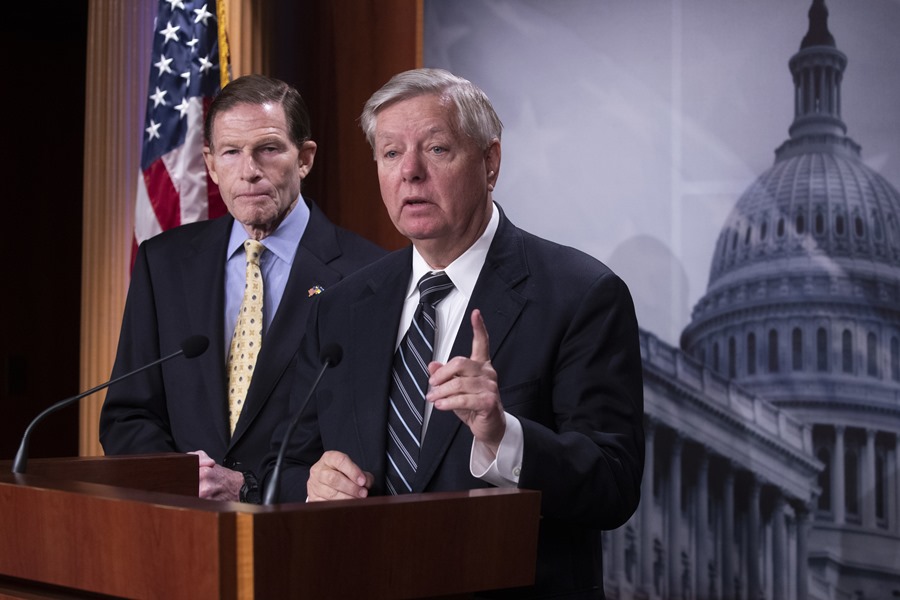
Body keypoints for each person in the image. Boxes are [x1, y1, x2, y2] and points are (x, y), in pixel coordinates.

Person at [263, 68, 644, 598]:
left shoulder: (582, 295)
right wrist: (311, 483)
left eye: (437, 149)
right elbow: (284, 463)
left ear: (490, 163)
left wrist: (501, 435)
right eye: (392, 153)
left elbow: (614, 485)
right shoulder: (342, 307)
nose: (410, 173)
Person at [99, 74, 385, 503]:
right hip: (180, 526)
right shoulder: (164, 263)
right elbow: (127, 415)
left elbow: (366, 439)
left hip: (301, 532)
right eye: (231, 152)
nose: (249, 171)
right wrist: (181, 479)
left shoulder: (370, 275)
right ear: (211, 165)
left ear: (304, 158)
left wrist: (250, 488)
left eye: (267, 150)